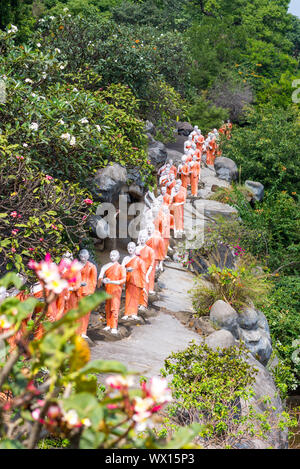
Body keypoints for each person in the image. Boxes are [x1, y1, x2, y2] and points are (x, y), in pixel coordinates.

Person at [98, 250, 126, 335]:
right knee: (107, 307)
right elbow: (99, 279)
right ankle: (109, 324)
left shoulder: (121, 267)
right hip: (108, 290)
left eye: (115, 255)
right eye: (111, 255)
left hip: (116, 290)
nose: (113, 256)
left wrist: (115, 282)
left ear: (118, 257)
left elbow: (124, 279)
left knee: (115, 307)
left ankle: (114, 326)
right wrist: (103, 280)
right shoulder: (105, 266)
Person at [122, 242, 146, 320]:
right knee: (128, 296)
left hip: (136, 280)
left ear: (135, 249)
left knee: (135, 297)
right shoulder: (125, 258)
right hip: (128, 280)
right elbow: (121, 269)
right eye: (129, 247)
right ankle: (127, 313)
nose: (130, 249)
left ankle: (134, 313)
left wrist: (143, 284)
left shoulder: (139, 260)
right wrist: (126, 269)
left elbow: (143, 272)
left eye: (132, 247)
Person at [76, 249, 97, 338]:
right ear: (79, 256)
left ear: (88, 257)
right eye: (82, 256)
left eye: (85, 257)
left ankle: (83, 332)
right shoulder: (76, 266)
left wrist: (91, 292)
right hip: (77, 290)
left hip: (87, 291)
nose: (83, 258)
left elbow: (94, 280)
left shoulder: (91, 266)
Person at [136, 230, 155, 311]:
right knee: (136, 288)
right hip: (137, 271)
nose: (142, 238)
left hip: (146, 271)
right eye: (141, 237)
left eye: (144, 237)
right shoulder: (136, 249)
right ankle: (136, 303)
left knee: (144, 287)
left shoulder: (150, 250)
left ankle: (143, 304)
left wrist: (147, 274)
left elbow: (152, 263)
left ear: (146, 238)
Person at [146, 223, 165, 294]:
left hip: (153, 258)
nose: (149, 230)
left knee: (151, 273)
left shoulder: (158, 239)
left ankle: (150, 288)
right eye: (148, 228)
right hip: (144, 257)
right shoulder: (144, 237)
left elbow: (161, 251)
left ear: (153, 229)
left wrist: (161, 264)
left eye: (151, 228)